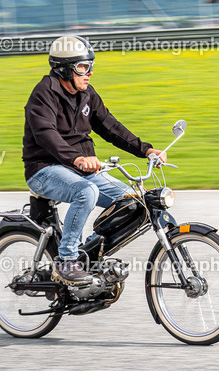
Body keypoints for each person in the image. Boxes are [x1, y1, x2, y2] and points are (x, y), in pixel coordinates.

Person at [22, 35, 166, 284]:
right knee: (86, 192)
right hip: (44, 168)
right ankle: (67, 261)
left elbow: (111, 128)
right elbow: (47, 135)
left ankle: (88, 253)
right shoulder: (43, 94)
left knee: (133, 202)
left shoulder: (87, 93)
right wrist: (77, 158)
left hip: (79, 168)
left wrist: (146, 150)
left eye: (91, 66)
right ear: (64, 68)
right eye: (82, 67)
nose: (88, 73)